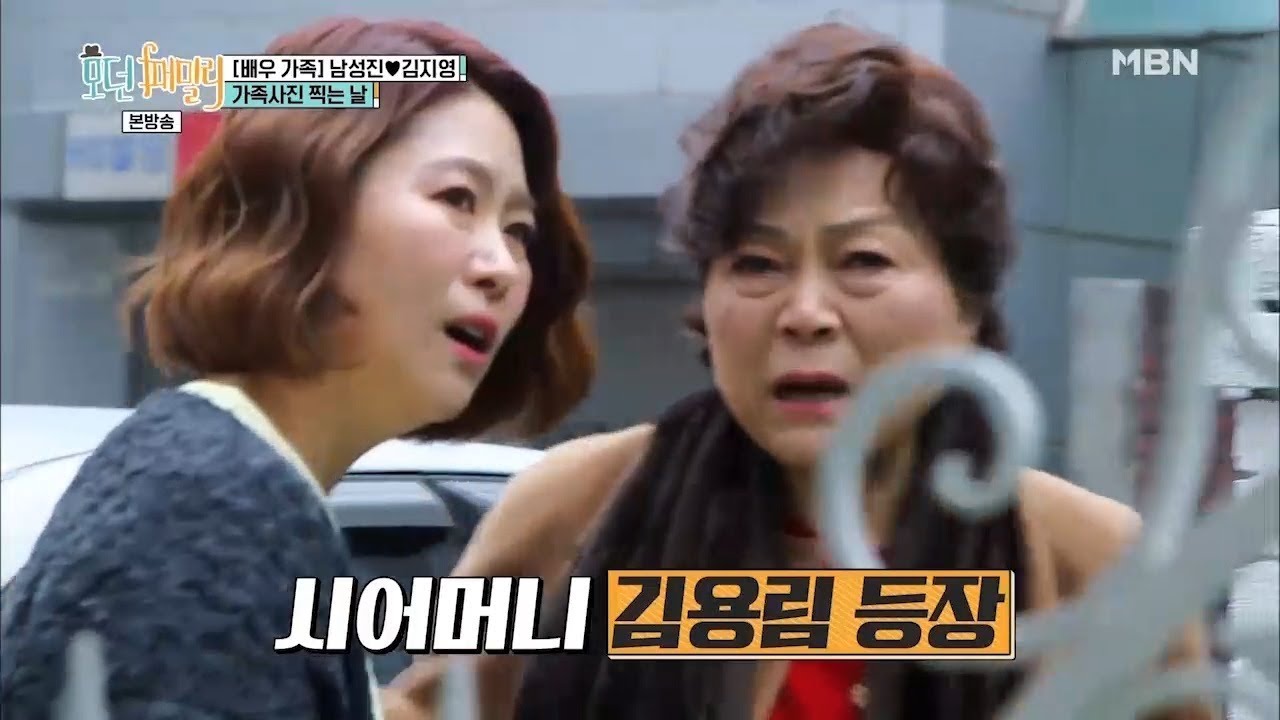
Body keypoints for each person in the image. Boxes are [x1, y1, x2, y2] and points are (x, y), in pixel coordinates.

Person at [391, 22, 1217, 720]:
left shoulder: (1095, 567)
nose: (806, 313)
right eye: (757, 264)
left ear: (966, 303)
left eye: (863, 261)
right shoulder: (573, 512)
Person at [0, 16, 592, 720]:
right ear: (307, 202)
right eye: (457, 199)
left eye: (518, 231)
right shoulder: (205, 516)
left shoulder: (230, 488)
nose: (503, 267)